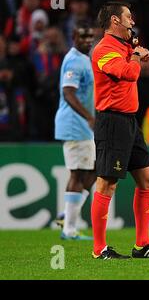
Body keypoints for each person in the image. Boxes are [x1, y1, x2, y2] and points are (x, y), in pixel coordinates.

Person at [90, 1, 149, 259]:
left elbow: (132, 62)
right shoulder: (103, 49)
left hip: (129, 121)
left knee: (147, 180)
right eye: (128, 17)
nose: (132, 21)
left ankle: (142, 244)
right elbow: (128, 74)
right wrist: (136, 57)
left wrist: (137, 52)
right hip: (112, 122)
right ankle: (99, 248)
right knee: (107, 183)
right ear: (115, 20)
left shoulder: (123, 46)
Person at [54, 21, 96, 240]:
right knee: (78, 173)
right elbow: (69, 93)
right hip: (75, 124)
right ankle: (69, 228)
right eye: (83, 37)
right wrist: (89, 117)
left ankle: (68, 213)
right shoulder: (73, 61)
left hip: (83, 127)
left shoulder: (84, 59)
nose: (87, 41)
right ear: (73, 37)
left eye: (90, 37)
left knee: (95, 169)